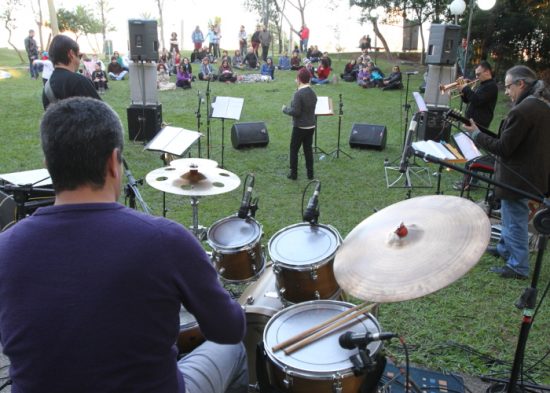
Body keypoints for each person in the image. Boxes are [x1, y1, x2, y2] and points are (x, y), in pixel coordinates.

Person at [0, 97, 248, 393]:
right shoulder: (166, 241)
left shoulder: (5, 249)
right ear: (112, 163)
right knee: (233, 351)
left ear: (48, 165)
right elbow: (230, 329)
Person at [464, 65, 550, 279]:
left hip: (518, 178)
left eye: (509, 86)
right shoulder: (541, 106)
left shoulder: (522, 110)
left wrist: (476, 135)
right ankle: (504, 249)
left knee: (515, 220)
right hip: (531, 174)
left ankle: (518, 267)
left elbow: (503, 148)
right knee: (509, 216)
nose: (506, 91)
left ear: (521, 84)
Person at [453, 61, 499, 191]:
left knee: (471, 153)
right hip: (472, 121)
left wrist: (466, 88)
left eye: (479, 74)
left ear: (487, 72)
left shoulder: (491, 86)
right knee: (471, 152)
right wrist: (462, 91)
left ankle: (469, 183)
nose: (476, 77)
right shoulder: (482, 85)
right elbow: (469, 100)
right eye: (476, 74)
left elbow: (477, 100)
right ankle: (472, 181)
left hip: (479, 123)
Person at [42, 34, 100, 110]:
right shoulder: (80, 82)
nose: (80, 60)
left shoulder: (47, 87)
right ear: (71, 54)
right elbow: (103, 115)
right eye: (79, 56)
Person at [283, 68, 318, 180]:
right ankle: (310, 174)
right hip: (311, 126)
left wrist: (285, 109)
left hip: (300, 127)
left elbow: (296, 112)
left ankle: (293, 174)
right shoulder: (313, 93)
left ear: (299, 79)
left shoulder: (298, 94)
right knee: (308, 150)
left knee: (294, 150)